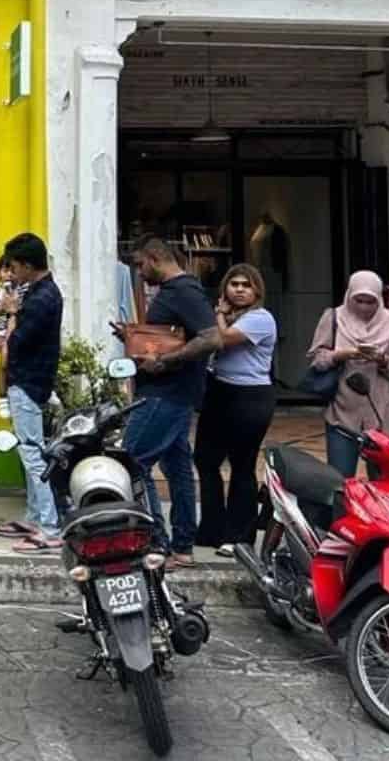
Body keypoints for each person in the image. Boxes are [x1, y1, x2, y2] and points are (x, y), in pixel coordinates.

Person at [124, 237, 218, 566]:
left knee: (133, 461)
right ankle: (181, 546)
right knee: (177, 469)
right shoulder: (175, 291)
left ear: (154, 258)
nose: (139, 271)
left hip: (166, 393)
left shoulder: (184, 291)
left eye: (140, 264)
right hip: (171, 391)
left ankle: (158, 542)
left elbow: (211, 338)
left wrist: (166, 363)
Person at [194, 264, 277, 556]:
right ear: (225, 288)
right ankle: (211, 528)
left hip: (250, 396)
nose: (240, 289)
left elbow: (223, 339)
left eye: (246, 285)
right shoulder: (228, 317)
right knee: (205, 459)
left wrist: (217, 314)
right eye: (234, 284)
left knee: (242, 465)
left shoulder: (260, 318)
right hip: (219, 391)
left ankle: (239, 536)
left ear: (257, 291)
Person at [0, 234, 64, 552]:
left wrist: (10, 313)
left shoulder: (40, 298)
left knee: (33, 454)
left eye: (14, 266)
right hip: (32, 380)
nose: (12, 273)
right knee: (30, 450)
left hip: (28, 380)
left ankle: (49, 526)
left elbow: (15, 343)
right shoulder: (40, 292)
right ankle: (35, 516)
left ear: (26, 265)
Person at [308, 270, 389, 478]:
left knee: (384, 486)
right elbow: (317, 360)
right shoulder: (334, 318)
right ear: (349, 296)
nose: (364, 307)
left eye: (370, 301)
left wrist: (383, 360)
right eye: (359, 301)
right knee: (340, 482)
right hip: (342, 414)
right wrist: (342, 354)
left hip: (384, 415)